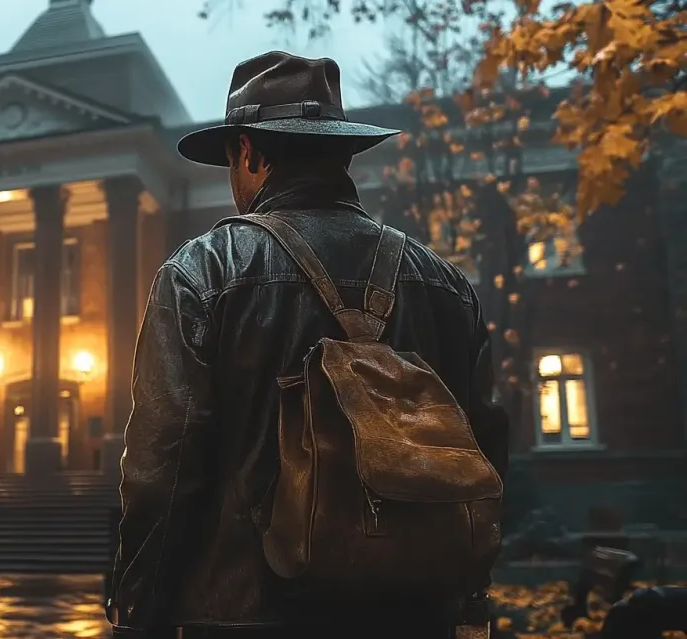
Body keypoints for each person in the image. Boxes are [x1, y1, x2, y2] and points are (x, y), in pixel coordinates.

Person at [107, 52, 510, 638]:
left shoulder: (204, 271)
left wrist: (139, 612)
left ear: (248, 150)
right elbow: (487, 455)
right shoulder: (445, 285)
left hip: (241, 614)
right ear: (343, 152)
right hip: (416, 614)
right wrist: (469, 598)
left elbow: (162, 470)